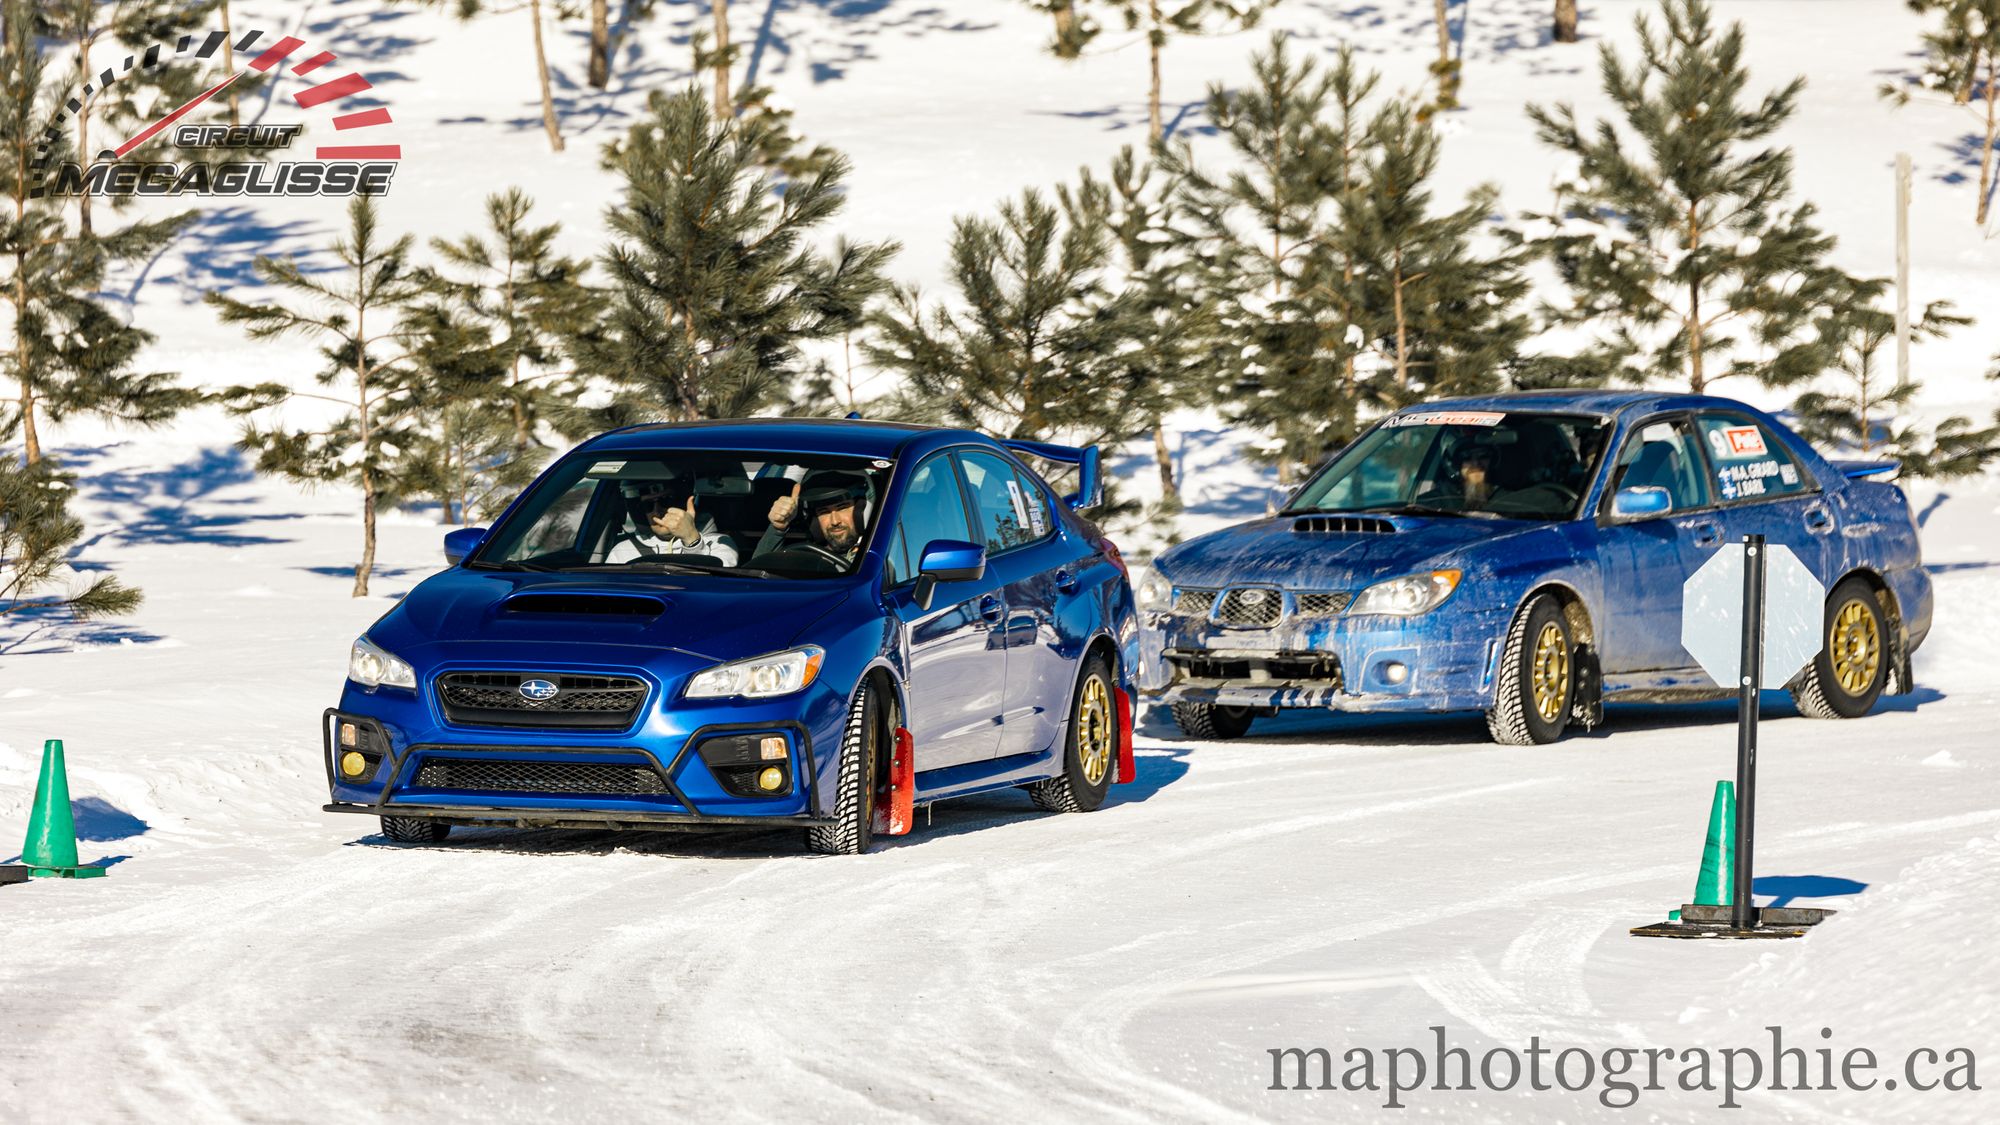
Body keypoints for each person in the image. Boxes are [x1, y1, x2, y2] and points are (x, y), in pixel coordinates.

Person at [605, 479, 740, 565]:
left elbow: (713, 589)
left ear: (681, 504)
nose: (657, 512)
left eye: (665, 501)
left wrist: (691, 540)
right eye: (648, 505)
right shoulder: (622, 551)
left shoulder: (720, 543)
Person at [755, 471, 871, 569]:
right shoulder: (807, 558)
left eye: (842, 508)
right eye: (823, 511)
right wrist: (778, 528)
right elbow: (755, 575)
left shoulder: (882, 553)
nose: (835, 521)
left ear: (862, 511)